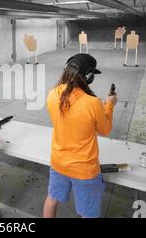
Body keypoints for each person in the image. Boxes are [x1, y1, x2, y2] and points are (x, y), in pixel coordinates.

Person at [43, 54, 118, 218]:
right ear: (88, 77)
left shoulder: (52, 94)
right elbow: (105, 130)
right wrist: (109, 105)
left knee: (52, 199)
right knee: (89, 214)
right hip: (84, 169)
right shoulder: (93, 103)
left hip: (58, 163)